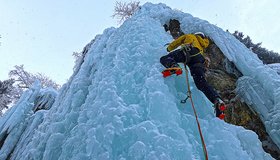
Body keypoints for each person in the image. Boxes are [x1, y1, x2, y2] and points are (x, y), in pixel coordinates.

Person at [160, 32, 226, 119]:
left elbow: (177, 42)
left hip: (188, 50)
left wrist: (169, 48)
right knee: (201, 84)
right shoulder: (202, 45)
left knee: (165, 58)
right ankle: (217, 100)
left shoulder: (190, 36)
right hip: (199, 60)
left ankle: (174, 66)